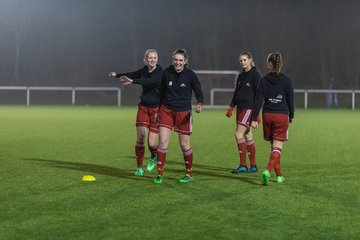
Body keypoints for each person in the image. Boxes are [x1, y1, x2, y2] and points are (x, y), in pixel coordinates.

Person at [109, 49, 163, 176]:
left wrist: (133, 82)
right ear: (145, 59)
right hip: (143, 107)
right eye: (150, 57)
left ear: (157, 59)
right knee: (140, 139)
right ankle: (139, 167)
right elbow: (132, 74)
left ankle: (154, 156)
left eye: (155, 57)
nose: (153, 59)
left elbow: (150, 81)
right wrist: (117, 74)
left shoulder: (160, 71)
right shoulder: (144, 70)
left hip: (156, 110)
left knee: (151, 143)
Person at [154, 49, 204, 184]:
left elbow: (198, 91)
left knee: (184, 144)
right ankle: (159, 174)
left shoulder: (190, 75)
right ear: (172, 59)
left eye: (181, 60)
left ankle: (188, 173)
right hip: (166, 110)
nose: (178, 62)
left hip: (183, 112)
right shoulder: (166, 73)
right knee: (163, 142)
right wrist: (157, 110)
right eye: (176, 60)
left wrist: (199, 103)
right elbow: (161, 92)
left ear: (185, 61)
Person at [251, 52, 294, 186]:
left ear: (269, 65)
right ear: (280, 64)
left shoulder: (263, 80)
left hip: (268, 115)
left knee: (273, 147)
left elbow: (258, 100)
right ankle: (268, 172)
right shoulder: (286, 80)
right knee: (278, 147)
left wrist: (253, 118)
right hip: (281, 115)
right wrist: (291, 116)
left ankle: (280, 175)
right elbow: (290, 101)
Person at [226, 52, 261, 174]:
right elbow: (237, 93)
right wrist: (231, 106)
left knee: (237, 134)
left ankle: (243, 165)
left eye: (245, 60)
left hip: (248, 108)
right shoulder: (241, 76)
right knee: (248, 136)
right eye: (241, 60)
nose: (243, 62)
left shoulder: (255, 75)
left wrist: (256, 116)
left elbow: (259, 96)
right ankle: (253, 165)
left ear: (250, 60)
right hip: (240, 108)